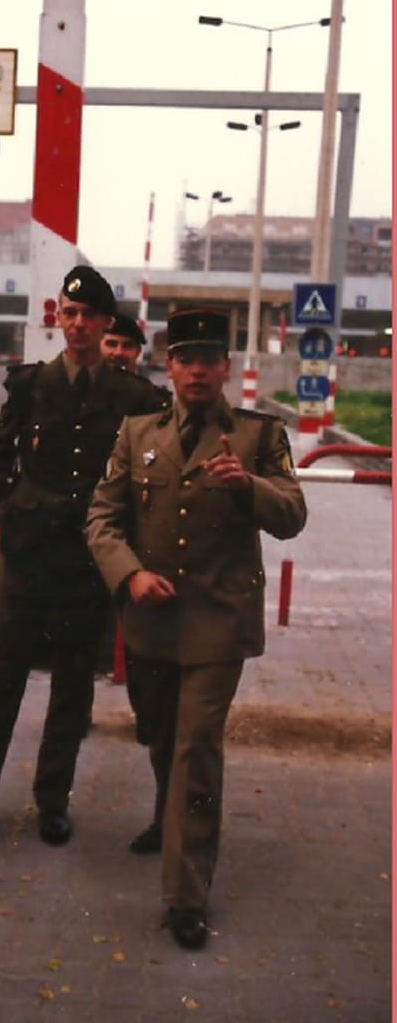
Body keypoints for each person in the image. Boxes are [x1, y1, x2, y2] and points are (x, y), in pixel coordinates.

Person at [0, 264, 168, 858]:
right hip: (31, 559)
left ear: (107, 324)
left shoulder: (134, 398)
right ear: (59, 317)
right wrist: (1, 518)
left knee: (72, 688)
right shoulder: (32, 385)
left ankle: (53, 801)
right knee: (2, 684)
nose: (79, 324)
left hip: (89, 564)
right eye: (71, 313)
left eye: (90, 316)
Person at [85, 307, 307, 949]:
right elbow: (102, 518)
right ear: (171, 366)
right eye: (186, 359)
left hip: (218, 620)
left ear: (226, 368)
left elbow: (293, 515)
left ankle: (186, 894)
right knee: (160, 736)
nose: (198, 371)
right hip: (151, 618)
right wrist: (129, 575)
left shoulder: (259, 435)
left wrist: (249, 488)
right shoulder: (138, 433)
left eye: (210, 359)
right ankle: (169, 818)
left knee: (196, 749)